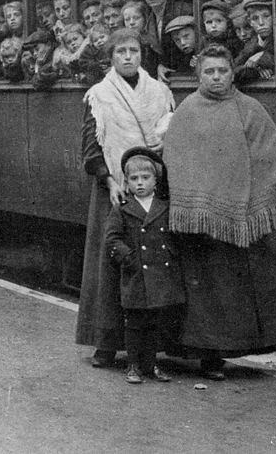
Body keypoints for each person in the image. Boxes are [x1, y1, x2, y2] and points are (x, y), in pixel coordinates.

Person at [163, 44, 276, 380]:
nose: (216, 78)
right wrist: (203, 205)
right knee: (212, 289)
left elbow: (272, 153)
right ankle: (211, 357)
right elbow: (177, 161)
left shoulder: (249, 108)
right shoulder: (187, 112)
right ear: (199, 76)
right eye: (209, 72)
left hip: (251, 214)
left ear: (231, 72)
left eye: (222, 71)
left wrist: (253, 201)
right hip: (205, 219)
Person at [75, 29, 175, 367]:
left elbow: (169, 134)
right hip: (115, 190)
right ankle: (106, 343)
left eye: (134, 50)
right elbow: (91, 146)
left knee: (157, 267)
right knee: (111, 264)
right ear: (112, 57)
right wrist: (108, 180)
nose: (128, 56)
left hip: (153, 189)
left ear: (142, 55)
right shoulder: (99, 95)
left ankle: (157, 345)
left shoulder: (160, 92)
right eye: (121, 52)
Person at [105, 147, 184, 384]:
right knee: (135, 324)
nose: (140, 183)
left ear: (155, 181)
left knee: (155, 323)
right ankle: (133, 366)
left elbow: (174, 235)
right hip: (136, 274)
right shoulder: (122, 207)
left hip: (160, 273)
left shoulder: (164, 206)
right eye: (134, 179)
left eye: (145, 178)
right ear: (126, 182)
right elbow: (112, 238)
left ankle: (151, 365)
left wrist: (171, 254)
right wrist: (127, 257)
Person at [137, 0, 191, 81]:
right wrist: (160, 66)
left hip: (187, 74)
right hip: (168, 77)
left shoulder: (182, 10)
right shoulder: (149, 21)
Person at [233, 0, 276, 85]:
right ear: (250, 22)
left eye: (266, 16)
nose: (261, 23)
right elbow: (234, 69)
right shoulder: (250, 45)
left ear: (275, 17)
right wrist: (256, 70)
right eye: (255, 18)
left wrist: (262, 57)